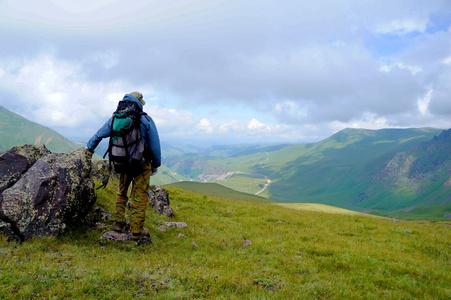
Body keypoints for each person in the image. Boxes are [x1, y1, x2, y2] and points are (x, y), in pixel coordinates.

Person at [87, 91, 161, 241]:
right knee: (139, 196)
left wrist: (89, 149)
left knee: (122, 192)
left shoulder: (116, 117)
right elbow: (154, 144)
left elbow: (100, 134)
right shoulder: (145, 119)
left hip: (121, 162)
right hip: (141, 164)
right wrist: (156, 164)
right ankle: (136, 231)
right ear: (140, 102)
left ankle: (119, 223)